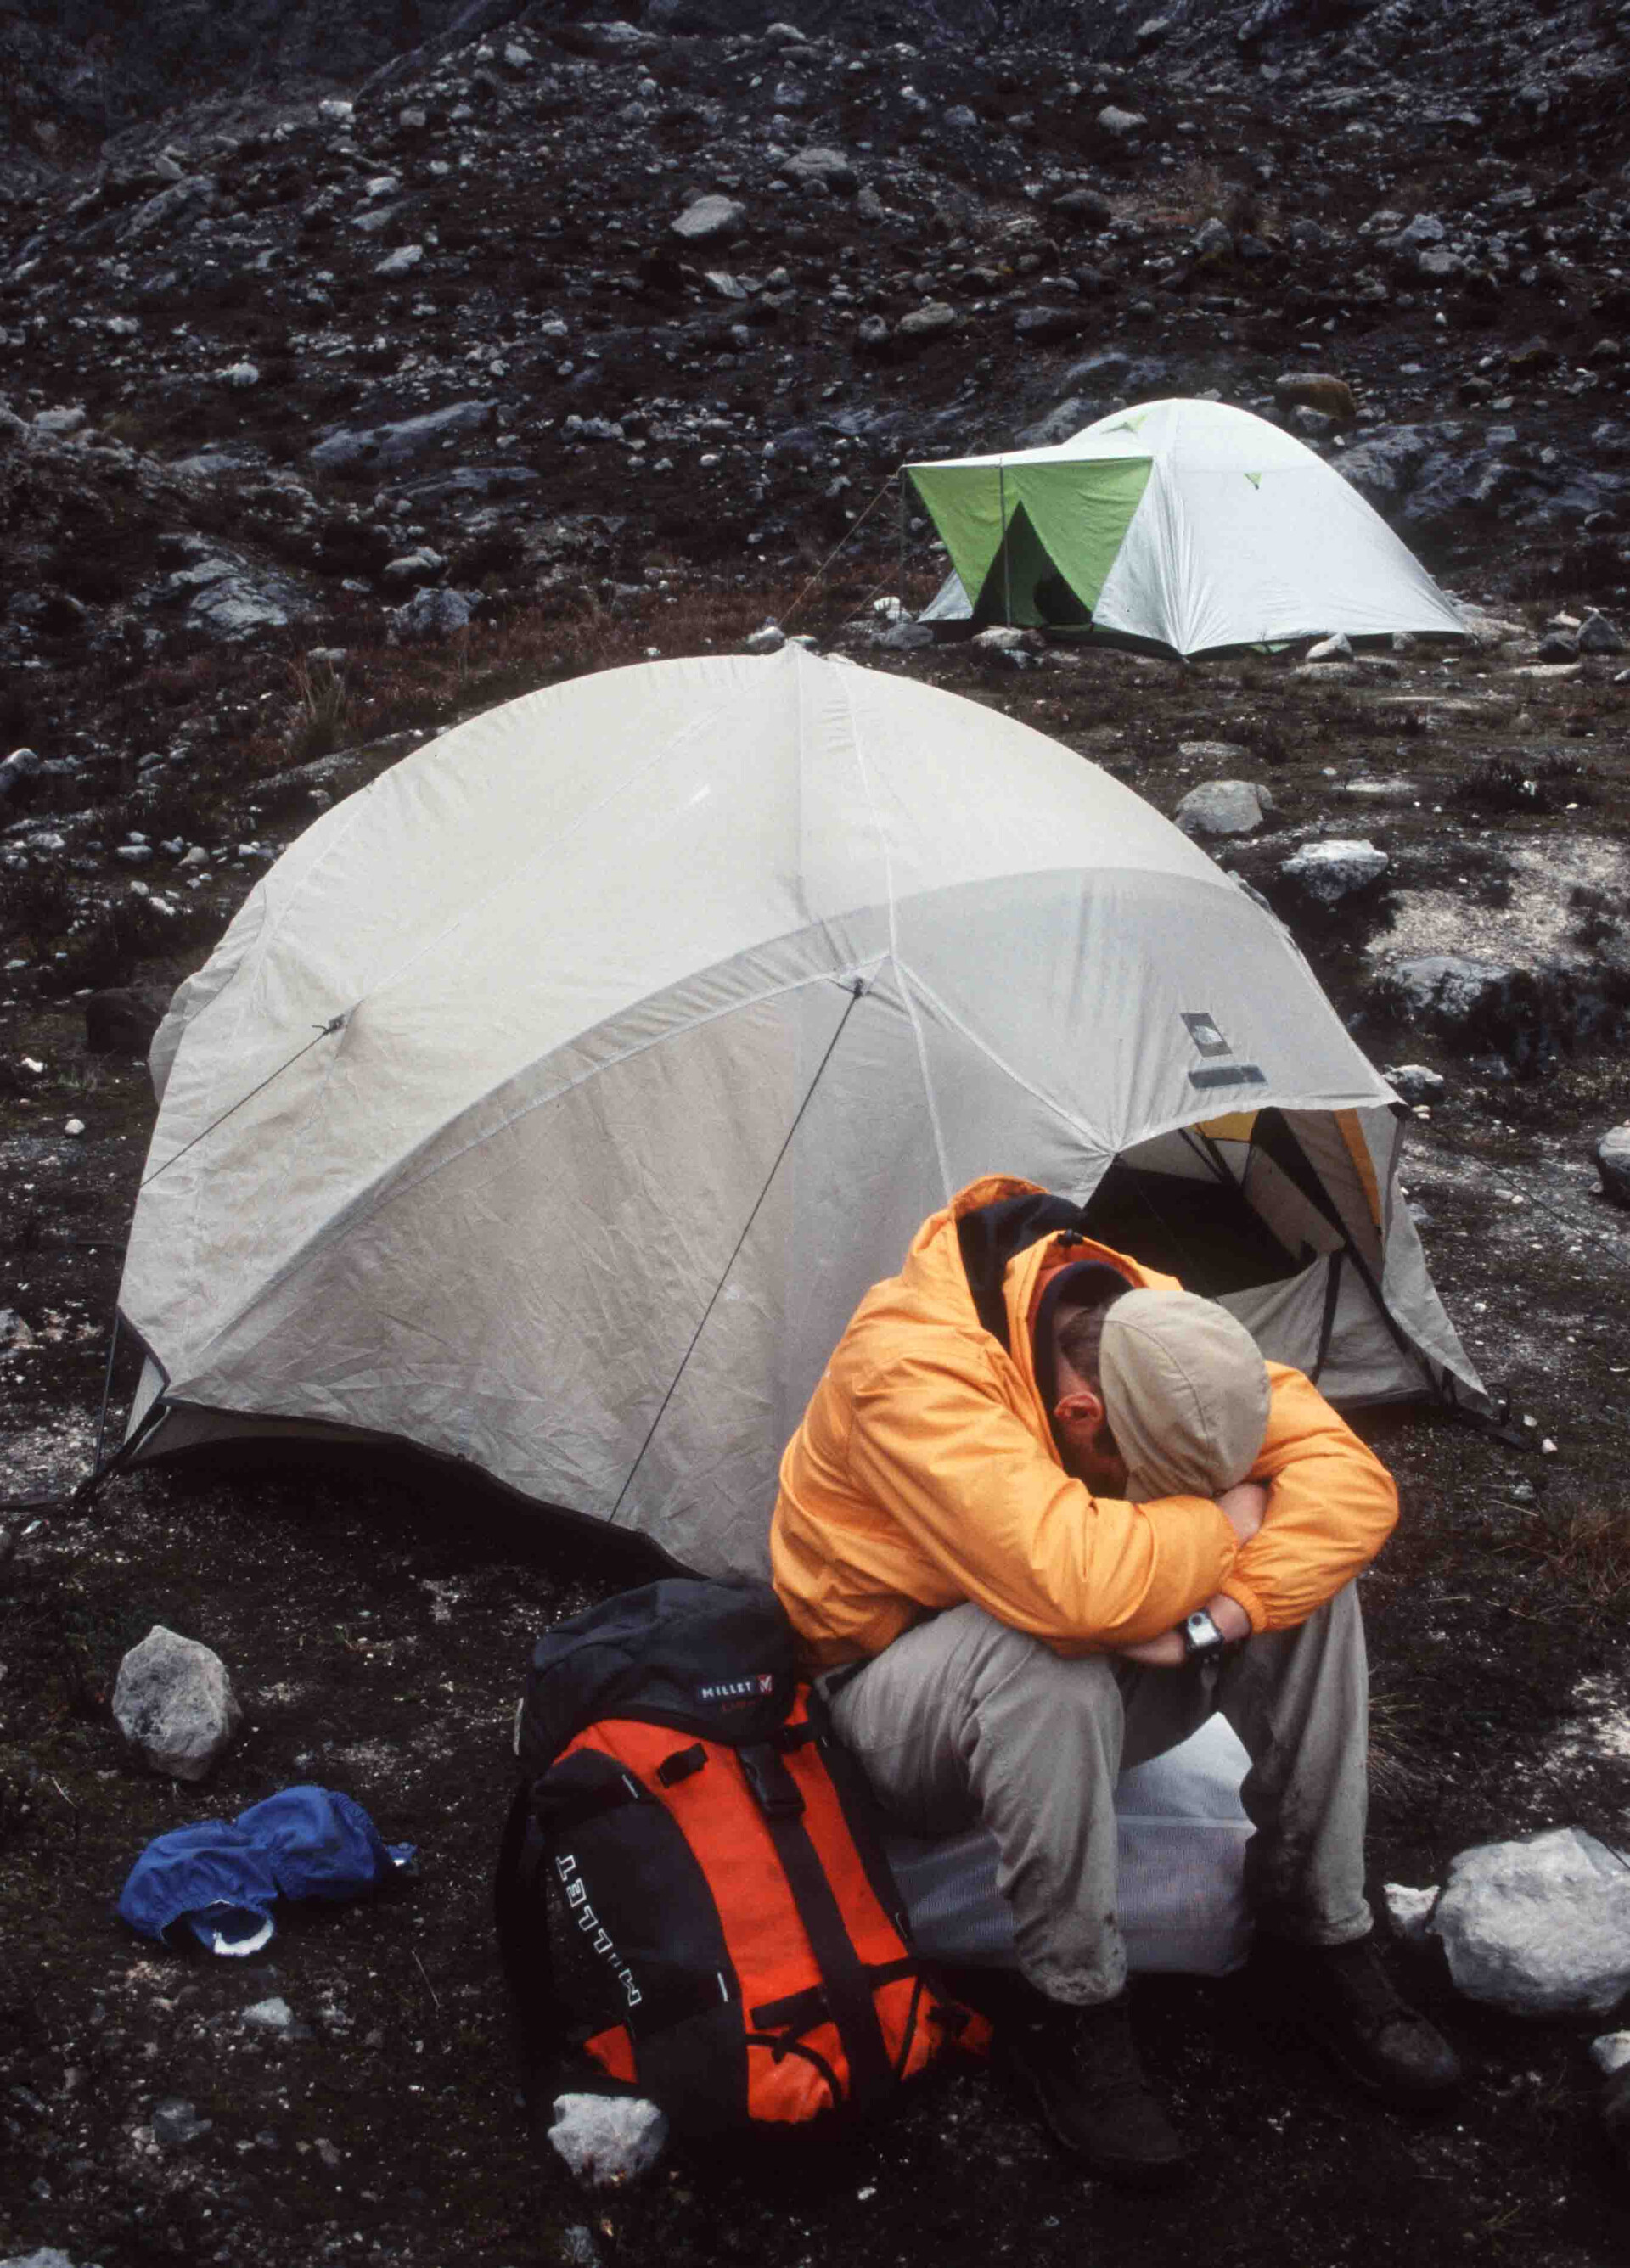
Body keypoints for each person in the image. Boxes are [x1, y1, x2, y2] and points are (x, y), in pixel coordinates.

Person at [770, 1173, 1460, 2186]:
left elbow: (1348, 1473)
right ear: (1079, 1410)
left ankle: (1316, 1932)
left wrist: (1226, 1612)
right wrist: (1225, 1517)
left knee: (1305, 1585)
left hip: (1077, 1642)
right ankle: (1071, 2006)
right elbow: (1074, 1586)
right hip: (884, 1710)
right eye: (1149, 1477)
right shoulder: (910, 1365)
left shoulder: (1146, 1315)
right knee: (1042, 1651)